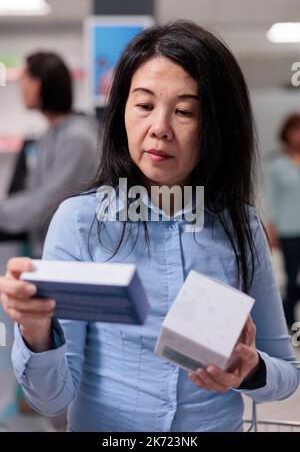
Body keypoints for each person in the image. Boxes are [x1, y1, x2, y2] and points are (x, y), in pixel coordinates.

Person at [0, 21, 299, 432]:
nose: (160, 127)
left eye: (184, 111)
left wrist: (251, 369)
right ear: (122, 110)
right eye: (144, 105)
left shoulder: (240, 226)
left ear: (215, 126)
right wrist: (36, 331)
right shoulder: (80, 222)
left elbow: (286, 374)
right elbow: (51, 399)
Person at [0, 52, 98, 257]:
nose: (21, 88)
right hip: (49, 251)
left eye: (24, 81)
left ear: (38, 84)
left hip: (75, 257)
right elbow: (34, 193)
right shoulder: (48, 136)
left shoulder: (77, 139)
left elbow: (47, 203)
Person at [265, 113, 300, 327]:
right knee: (291, 277)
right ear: (286, 134)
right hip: (288, 228)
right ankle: (289, 322)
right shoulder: (276, 163)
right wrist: (271, 227)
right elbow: (271, 197)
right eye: (294, 130)